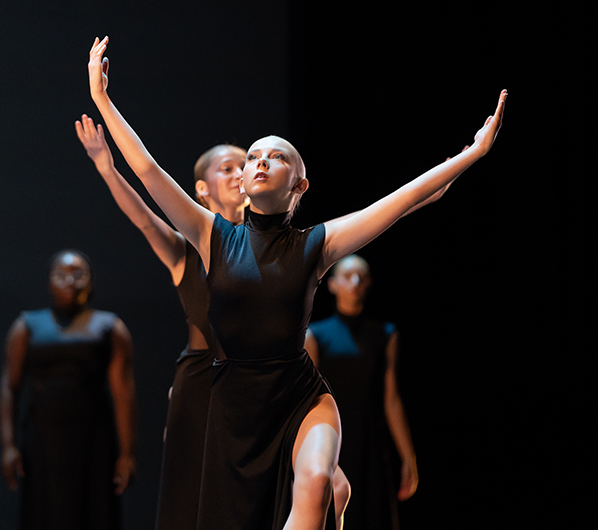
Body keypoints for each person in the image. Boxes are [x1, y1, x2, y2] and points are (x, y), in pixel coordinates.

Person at [86, 36, 506, 530]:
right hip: (234, 404)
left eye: (277, 157)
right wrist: (103, 100)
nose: (261, 161)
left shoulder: (317, 244)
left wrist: (472, 154)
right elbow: (148, 171)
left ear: (299, 185)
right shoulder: (210, 235)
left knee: (315, 484)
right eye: (254, 157)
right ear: (242, 183)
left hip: (300, 396)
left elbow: (400, 200)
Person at [75, 117, 248, 529]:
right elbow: (145, 218)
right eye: (228, 168)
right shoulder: (183, 250)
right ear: (201, 189)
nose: (240, 173)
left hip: (251, 383)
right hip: (200, 386)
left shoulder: (271, 247)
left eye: (245, 165)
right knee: (191, 499)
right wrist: (106, 167)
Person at [0, 249, 137, 530]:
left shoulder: (110, 327)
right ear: (49, 282)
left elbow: (123, 393)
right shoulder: (27, 326)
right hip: (43, 441)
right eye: (61, 275)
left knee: (94, 514)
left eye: (78, 274)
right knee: (45, 514)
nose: (70, 281)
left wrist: (127, 453)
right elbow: (9, 388)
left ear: (91, 280)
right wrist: (8, 446)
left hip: (93, 441)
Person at [305, 255, 417, 530]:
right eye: (347, 276)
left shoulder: (384, 334)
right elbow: (306, 399)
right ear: (331, 285)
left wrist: (408, 456)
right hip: (334, 441)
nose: (354, 282)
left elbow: (391, 400)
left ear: (368, 284)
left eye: (361, 277)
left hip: (372, 442)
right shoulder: (315, 335)